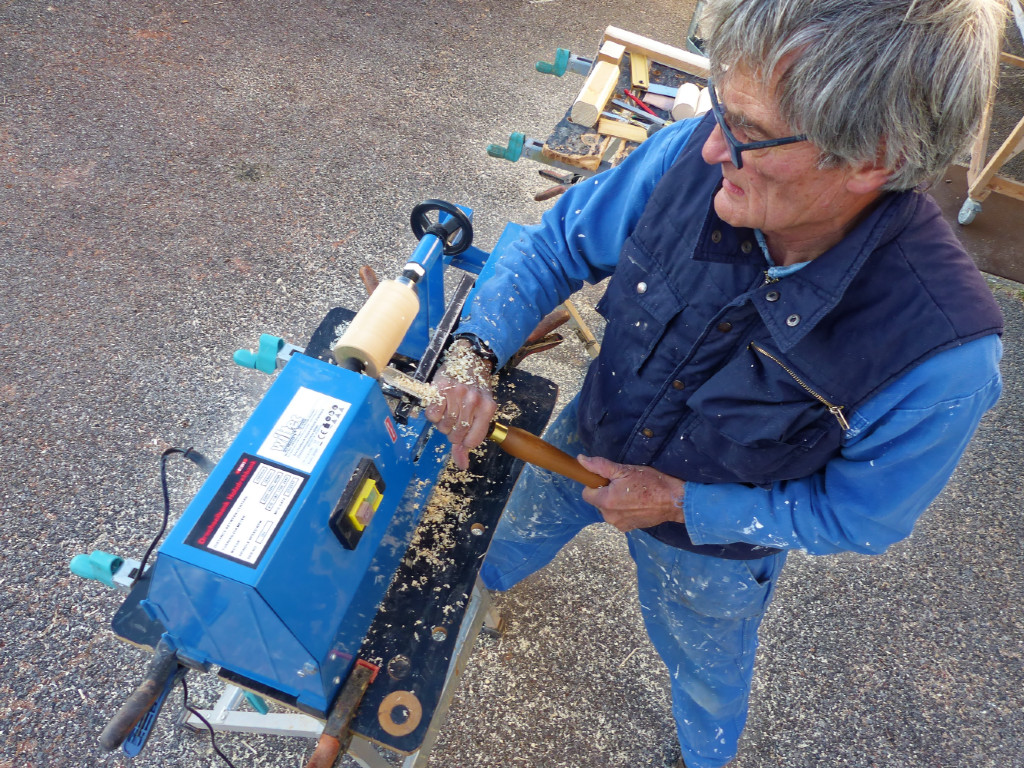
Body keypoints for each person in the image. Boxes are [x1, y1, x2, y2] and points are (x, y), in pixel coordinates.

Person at [425, 0, 1007, 765]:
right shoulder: (684, 162)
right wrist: (474, 358)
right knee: (500, 539)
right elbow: (556, 245)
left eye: (750, 132)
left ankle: (707, 754)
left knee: (706, 670)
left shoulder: (944, 357)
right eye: (719, 107)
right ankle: (475, 592)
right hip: (583, 438)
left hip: (713, 546)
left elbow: (860, 519)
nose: (708, 149)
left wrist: (677, 502)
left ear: (875, 157)